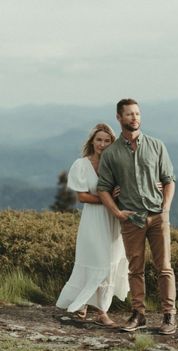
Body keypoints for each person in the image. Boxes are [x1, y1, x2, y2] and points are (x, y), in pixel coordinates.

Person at [97, 99, 177, 334]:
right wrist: (117, 212)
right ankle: (138, 314)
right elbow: (103, 187)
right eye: (130, 114)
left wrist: (166, 207)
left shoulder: (156, 145)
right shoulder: (111, 154)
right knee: (135, 269)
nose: (135, 117)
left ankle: (169, 316)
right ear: (119, 117)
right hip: (131, 219)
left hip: (157, 216)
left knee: (164, 268)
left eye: (138, 113)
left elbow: (169, 180)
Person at [56, 123, 129, 326]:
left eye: (107, 141)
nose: (102, 144)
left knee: (110, 262)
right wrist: (107, 199)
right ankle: (84, 305)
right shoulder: (81, 165)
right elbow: (82, 197)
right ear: (92, 141)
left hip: (113, 219)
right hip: (93, 220)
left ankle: (101, 311)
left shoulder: (117, 166)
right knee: (95, 261)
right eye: (99, 140)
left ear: (112, 143)